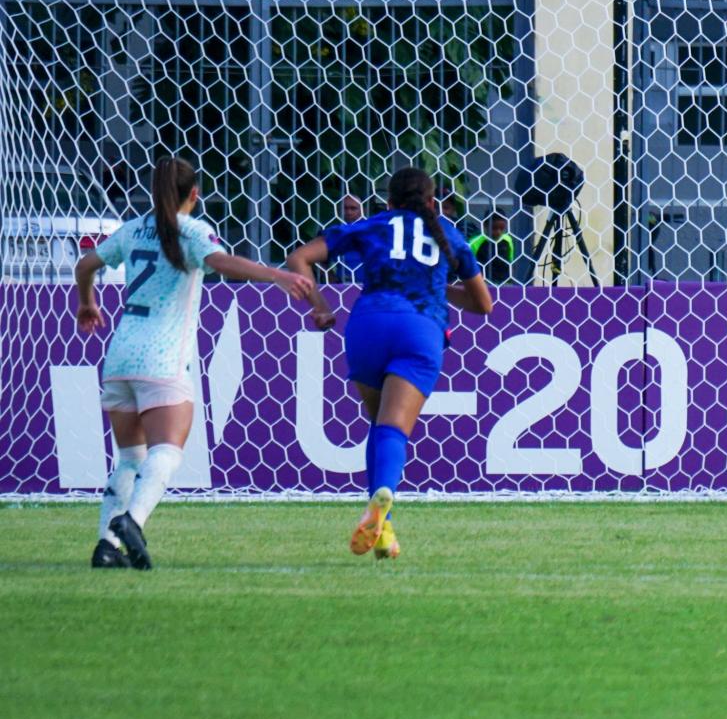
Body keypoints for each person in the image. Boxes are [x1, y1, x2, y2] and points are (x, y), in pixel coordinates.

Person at [73, 157, 313, 569]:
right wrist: (276, 275)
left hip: (120, 354)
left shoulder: (132, 229)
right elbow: (222, 262)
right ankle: (133, 521)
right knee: (166, 450)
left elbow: (85, 265)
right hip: (163, 358)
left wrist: (87, 302)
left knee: (129, 458)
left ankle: (106, 547)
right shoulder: (193, 231)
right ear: (194, 194)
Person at [286, 166, 492, 559]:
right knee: (393, 429)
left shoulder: (372, 225)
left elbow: (298, 258)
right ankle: (384, 500)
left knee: (379, 425)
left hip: (368, 326)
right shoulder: (448, 234)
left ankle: (383, 529)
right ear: (432, 202)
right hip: (419, 328)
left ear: (389, 201)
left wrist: (320, 306)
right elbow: (483, 304)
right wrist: (435, 285)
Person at [467, 212, 520, 286]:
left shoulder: (508, 240)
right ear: (485, 225)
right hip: (483, 283)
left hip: (505, 282)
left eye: (502, 228)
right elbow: (470, 265)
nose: (498, 232)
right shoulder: (474, 242)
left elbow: (510, 260)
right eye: (494, 228)